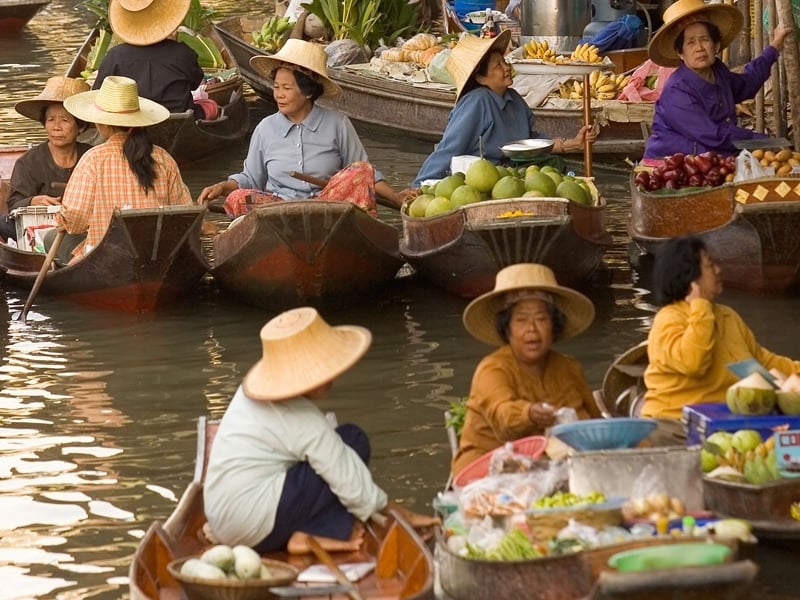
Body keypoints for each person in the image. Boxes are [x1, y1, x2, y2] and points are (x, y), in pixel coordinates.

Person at [204, 307, 438, 554]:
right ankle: (314, 533)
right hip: (257, 533)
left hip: (221, 520)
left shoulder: (247, 395)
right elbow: (350, 482)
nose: (331, 376)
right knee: (352, 441)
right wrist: (401, 514)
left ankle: (310, 529)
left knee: (334, 453)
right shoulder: (303, 420)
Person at [197, 39, 408, 217]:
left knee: (361, 169)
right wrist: (223, 187)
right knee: (238, 198)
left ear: (307, 92)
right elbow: (251, 179)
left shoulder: (337, 124)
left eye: (286, 88)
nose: (278, 94)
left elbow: (364, 175)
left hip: (328, 208)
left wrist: (395, 197)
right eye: (276, 87)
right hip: (279, 210)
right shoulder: (265, 129)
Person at [452, 263, 602, 476]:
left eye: (541, 319)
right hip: (489, 470)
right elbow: (503, 418)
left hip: (551, 466)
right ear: (507, 328)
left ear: (554, 325)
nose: (532, 329)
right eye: (521, 320)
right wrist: (529, 414)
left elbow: (593, 422)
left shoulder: (568, 367)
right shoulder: (492, 369)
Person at [643, 235, 800, 422]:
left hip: (725, 419)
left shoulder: (727, 315)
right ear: (690, 275)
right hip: (674, 422)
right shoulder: (668, 319)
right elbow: (693, 364)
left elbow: (760, 361)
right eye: (710, 265)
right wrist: (700, 305)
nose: (718, 270)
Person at [412, 30, 598, 187]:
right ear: (481, 78)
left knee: (555, 164)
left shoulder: (514, 98)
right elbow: (450, 148)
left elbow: (530, 142)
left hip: (510, 175)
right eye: (497, 66)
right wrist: (421, 185)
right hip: (481, 178)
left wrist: (575, 143)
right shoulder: (476, 103)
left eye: (504, 62)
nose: (507, 67)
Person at [43, 76, 192, 265]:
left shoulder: (94, 158)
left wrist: (61, 220)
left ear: (102, 124)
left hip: (108, 257)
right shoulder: (163, 158)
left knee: (49, 238)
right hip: (156, 254)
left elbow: (75, 220)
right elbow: (183, 212)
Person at [643, 0, 793, 160]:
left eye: (705, 39)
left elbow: (746, 84)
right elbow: (712, 134)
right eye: (691, 42)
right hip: (668, 164)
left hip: (711, 158)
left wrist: (775, 46)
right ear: (681, 53)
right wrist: (763, 141)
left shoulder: (718, 71)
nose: (699, 47)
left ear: (716, 45)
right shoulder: (677, 91)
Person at [1, 77, 92, 241]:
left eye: (64, 120)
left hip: (83, 229)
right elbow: (14, 204)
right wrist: (33, 200)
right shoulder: (28, 162)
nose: (56, 127)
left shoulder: (91, 156)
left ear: (81, 126)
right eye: (51, 120)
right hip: (40, 230)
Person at [92, 0, 215, 121]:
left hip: (132, 123)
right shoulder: (182, 53)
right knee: (211, 106)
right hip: (179, 121)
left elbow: (98, 93)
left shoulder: (115, 55)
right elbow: (195, 83)